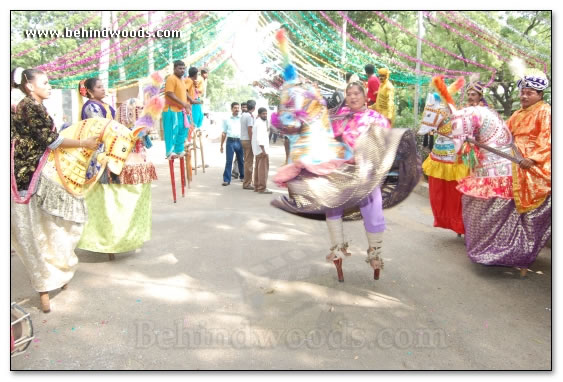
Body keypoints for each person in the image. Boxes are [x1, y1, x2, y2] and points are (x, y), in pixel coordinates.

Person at [430, 74, 551, 275]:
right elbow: (504, 132)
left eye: (529, 93)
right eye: (522, 92)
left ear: (539, 94)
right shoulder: (519, 112)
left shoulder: (545, 112)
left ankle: (512, 251)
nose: (523, 96)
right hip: (510, 153)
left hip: (528, 161)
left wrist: (532, 158)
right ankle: (488, 248)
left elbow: (548, 140)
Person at [10, 68, 98, 312]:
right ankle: (45, 281)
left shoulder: (33, 105)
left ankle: (58, 270)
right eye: (45, 83)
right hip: (30, 174)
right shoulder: (29, 106)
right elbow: (51, 140)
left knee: (54, 225)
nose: (50, 86)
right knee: (40, 228)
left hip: (40, 169)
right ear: (29, 86)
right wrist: (83, 143)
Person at [76, 78, 157, 258]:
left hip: (112, 153)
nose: (103, 89)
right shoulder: (91, 108)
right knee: (105, 200)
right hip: (99, 157)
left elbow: (118, 128)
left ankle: (118, 236)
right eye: (98, 87)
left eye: (103, 85)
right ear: (89, 91)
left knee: (114, 198)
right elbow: (105, 130)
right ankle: (106, 240)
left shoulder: (104, 106)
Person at [419, 77, 468, 236]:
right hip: (440, 153)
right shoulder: (441, 110)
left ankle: (461, 223)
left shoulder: (461, 114)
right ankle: (448, 220)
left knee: (457, 193)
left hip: (456, 155)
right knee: (440, 192)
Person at [163, 60, 190, 159]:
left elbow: (184, 93)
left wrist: (190, 101)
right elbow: (169, 93)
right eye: (180, 68)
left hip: (180, 110)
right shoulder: (171, 78)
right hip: (171, 110)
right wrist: (183, 103)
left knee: (183, 129)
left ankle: (179, 150)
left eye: (183, 68)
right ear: (174, 69)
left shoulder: (182, 79)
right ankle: (170, 152)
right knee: (171, 131)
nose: (182, 70)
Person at [220, 102, 244, 186]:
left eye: (238, 108)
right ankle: (226, 179)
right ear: (231, 109)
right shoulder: (227, 119)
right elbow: (224, 133)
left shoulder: (242, 119)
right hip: (230, 142)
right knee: (229, 161)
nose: (237, 109)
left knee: (241, 160)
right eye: (235, 108)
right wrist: (221, 145)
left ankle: (243, 176)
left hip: (240, 141)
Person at [252, 107, 272, 194]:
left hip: (258, 150)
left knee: (258, 169)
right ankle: (262, 188)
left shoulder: (258, 122)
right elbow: (259, 139)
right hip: (262, 150)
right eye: (263, 114)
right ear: (259, 114)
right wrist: (264, 150)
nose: (265, 115)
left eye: (266, 113)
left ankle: (257, 186)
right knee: (263, 170)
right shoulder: (260, 123)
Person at [240, 99, 256, 190]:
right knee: (248, 163)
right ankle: (247, 183)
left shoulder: (243, 115)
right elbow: (250, 129)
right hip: (248, 140)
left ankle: (248, 181)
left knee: (246, 161)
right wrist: (252, 140)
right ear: (254, 107)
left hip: (243, 139)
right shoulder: (249, 116)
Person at [232, 102, 247, 179]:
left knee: (243, 158)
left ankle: (243, 174)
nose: (244, 108)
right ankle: (235, 172)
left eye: (245, 107)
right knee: (238, 157)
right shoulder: (239, 117)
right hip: (239, 139)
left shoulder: (249, 117)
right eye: (243, 107)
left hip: (246, 140)